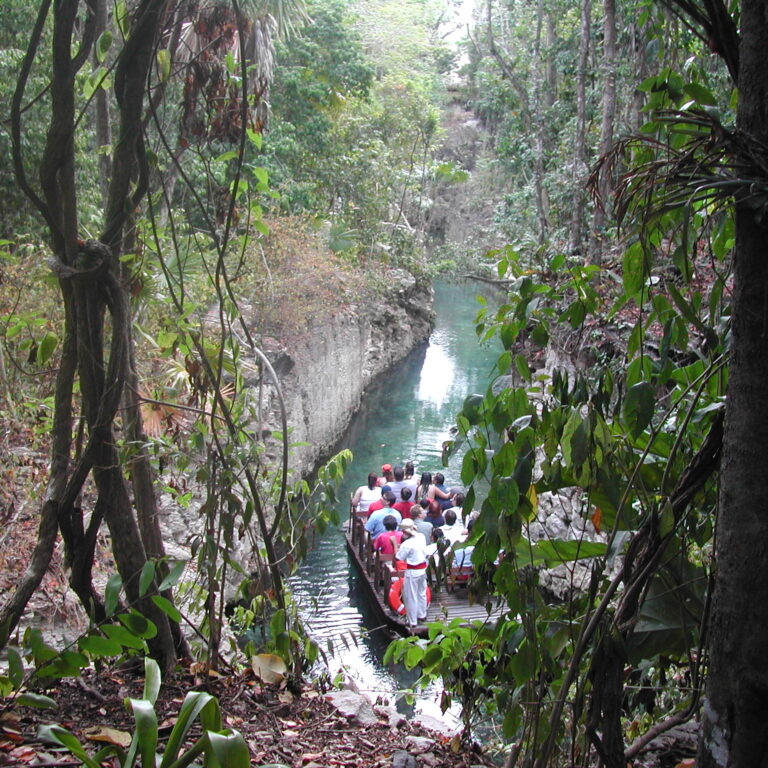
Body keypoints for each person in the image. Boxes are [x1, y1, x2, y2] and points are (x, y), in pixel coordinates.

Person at [395, 518, 428, 628]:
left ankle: (412, 621)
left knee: (411, 596)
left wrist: (395, 545)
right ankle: (422, 615)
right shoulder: (421, 537)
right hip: (423, 569)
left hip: (413, 571)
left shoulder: (407, 544)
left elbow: (399, 557)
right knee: (421, 593)